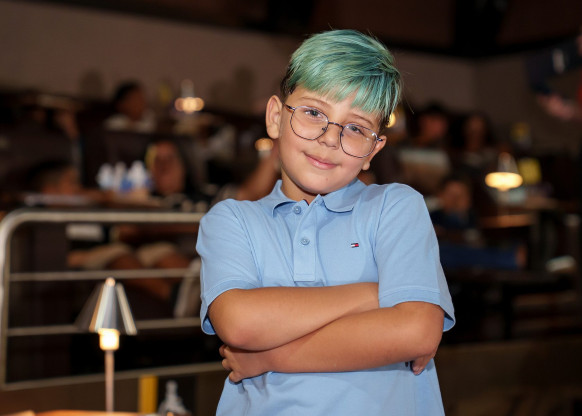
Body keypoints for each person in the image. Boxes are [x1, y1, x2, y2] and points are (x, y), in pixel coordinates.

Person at [196, 29, 455, 416]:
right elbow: (240, 324)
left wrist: (269, 357)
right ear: (275, 118)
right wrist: (374, 294)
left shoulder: (396, 207)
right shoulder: (233, 220)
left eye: (356, 128)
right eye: (314, 113)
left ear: (373, 150)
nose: (330, 139)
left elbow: (415, 332)